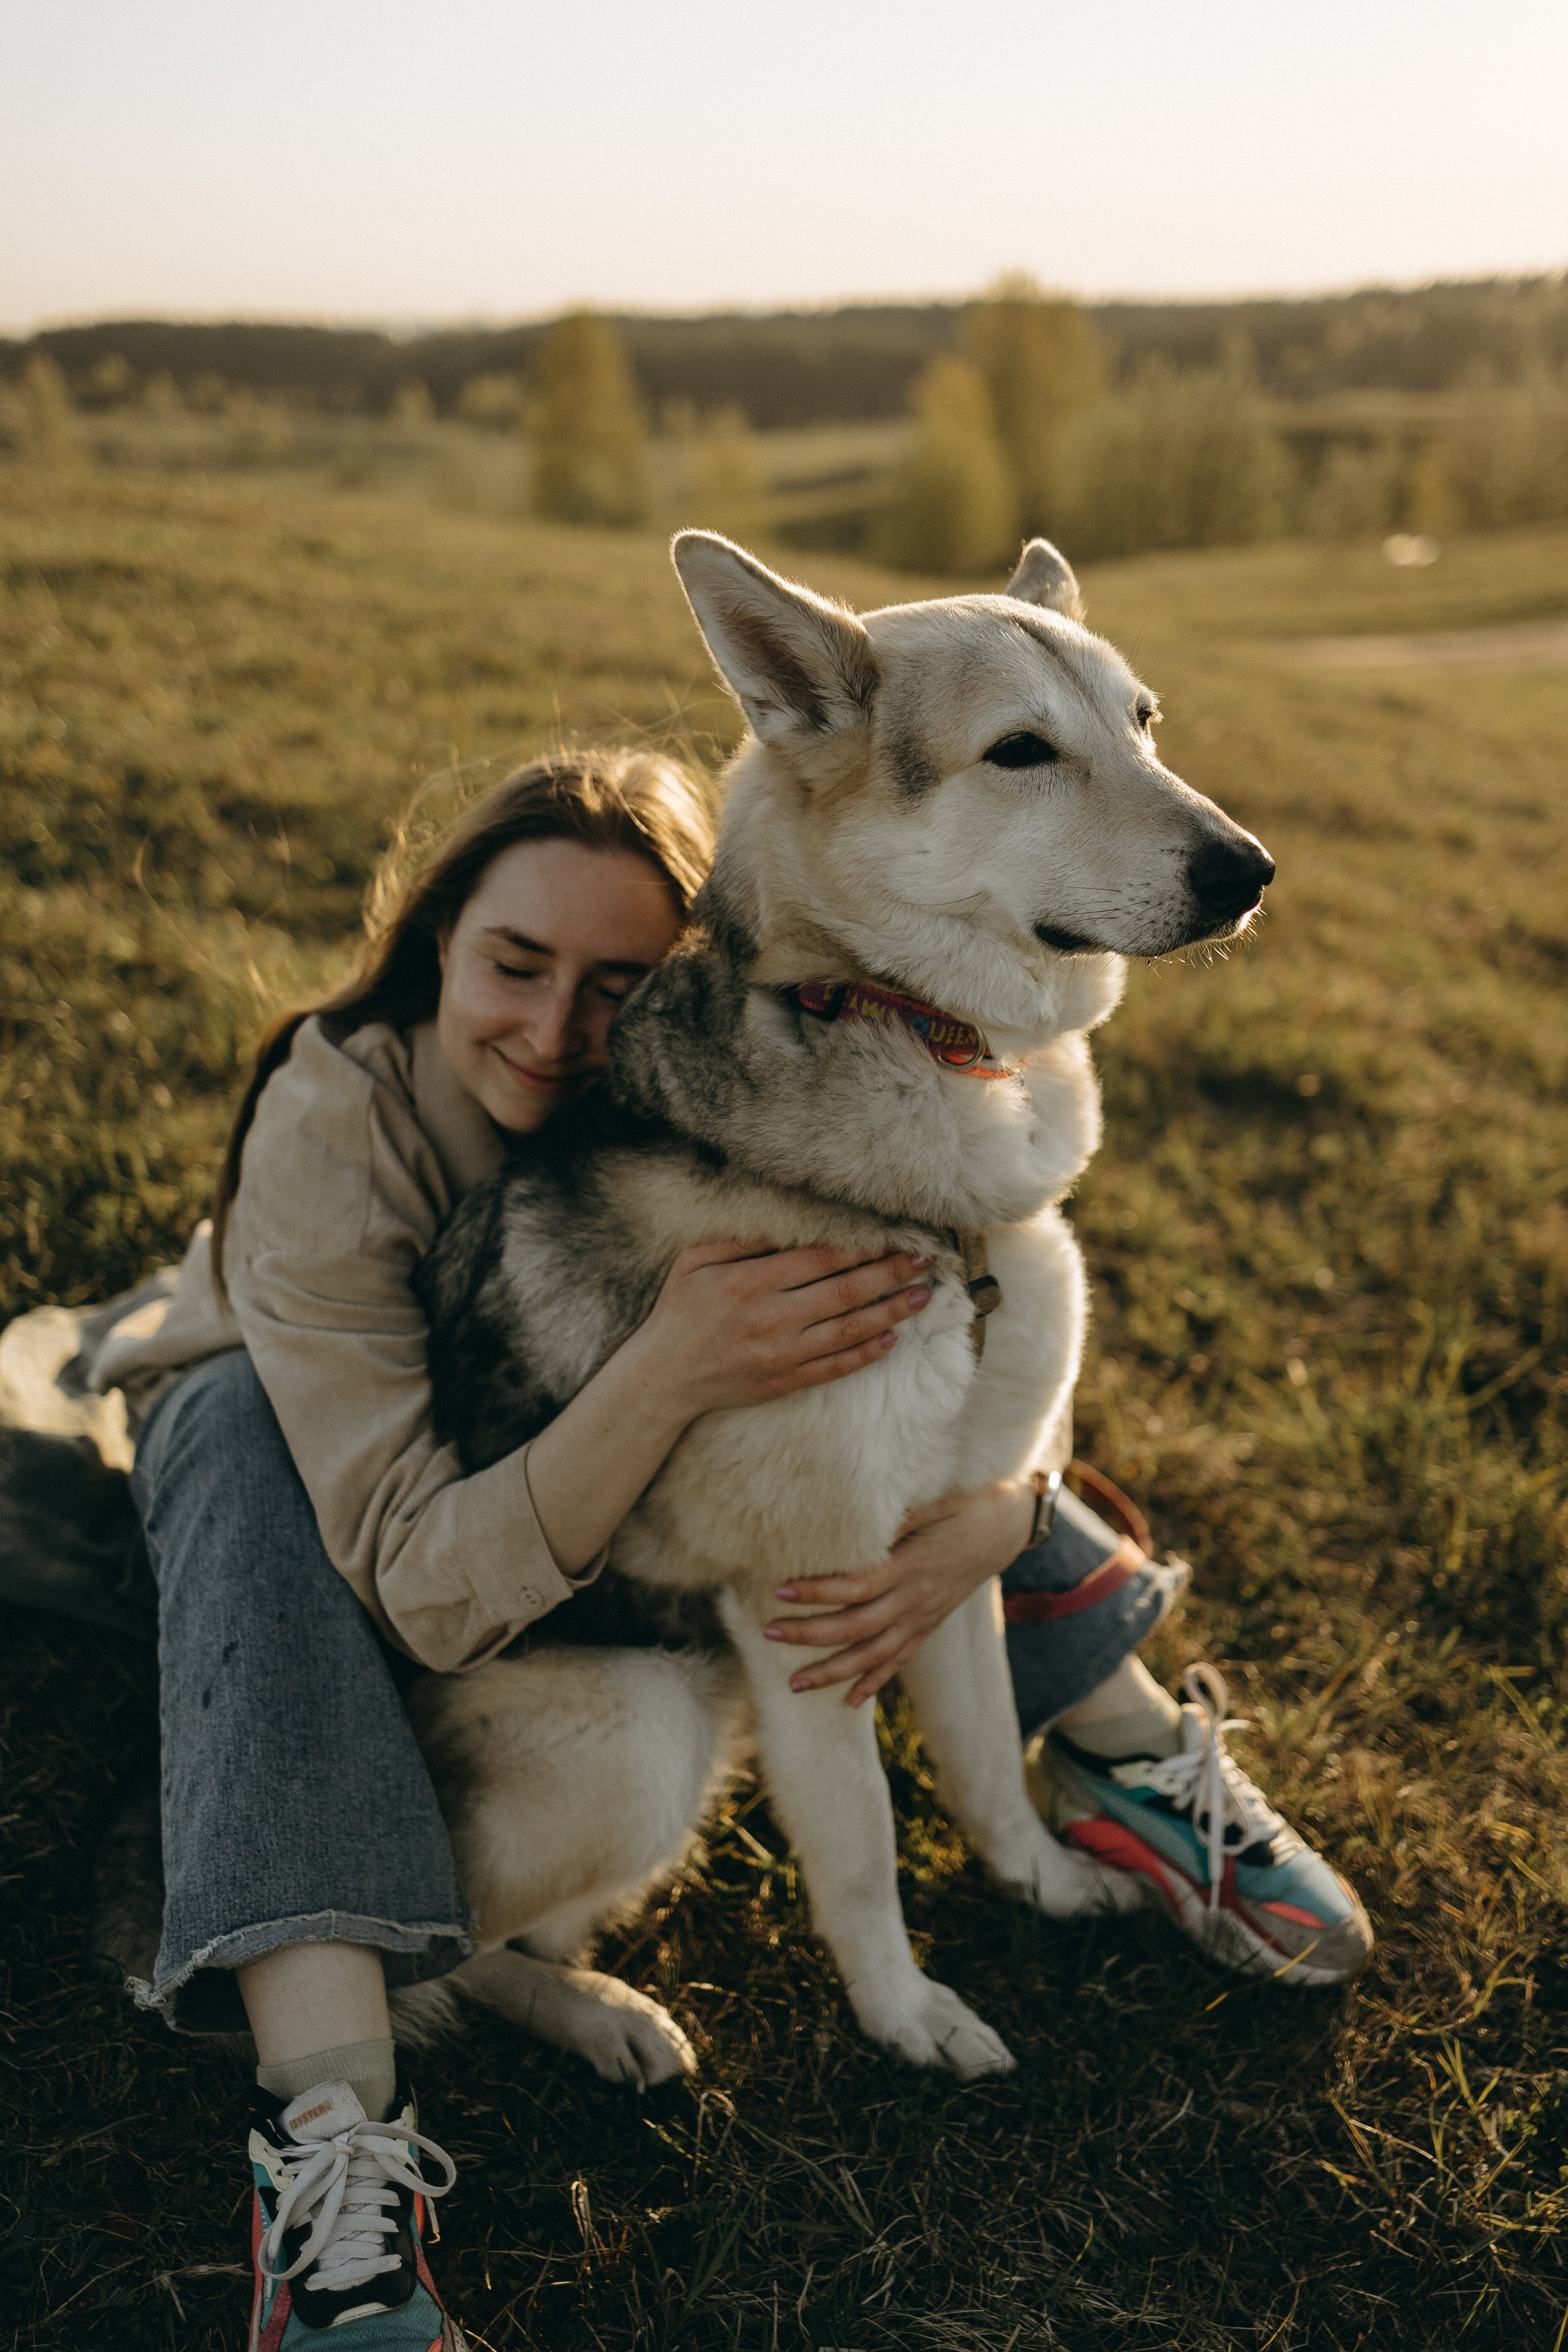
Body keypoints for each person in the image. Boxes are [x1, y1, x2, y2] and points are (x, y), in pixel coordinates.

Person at [56, 751, 1368, 2349]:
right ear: (434, 947)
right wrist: (675, 1360)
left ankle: (1134, 1756)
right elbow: (412, 1568)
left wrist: (1004, 1512)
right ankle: (331, 2106)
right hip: (342, 1505)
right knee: (242, 1420)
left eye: (617, 985)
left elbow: (966, 1351)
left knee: (893, 1329)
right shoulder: (343, 1122)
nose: (553, 1031)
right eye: (513, 967)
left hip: (597, 1520)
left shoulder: (732, 1065)